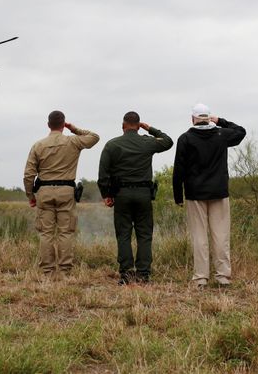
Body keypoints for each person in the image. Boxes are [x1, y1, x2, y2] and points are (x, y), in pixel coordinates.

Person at [172, 103, 246, 288]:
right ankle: (222, 276)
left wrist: (178, 195)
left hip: (195, 193)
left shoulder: (186, 138)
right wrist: (220, 121)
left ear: (192, 119)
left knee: (199, 236)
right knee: (221, 236)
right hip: (219, 192)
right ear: (209, 118)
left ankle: (201, 278)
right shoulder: (221, 135)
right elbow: (240, 131)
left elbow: (179, 169)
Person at [97, 111, 173, 285]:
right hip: (143, 194)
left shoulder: (112, 145)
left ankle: (126, 274)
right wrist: (151, 129)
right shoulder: (147, 142)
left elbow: (103, 174)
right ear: (138, 126)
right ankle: (144, 274)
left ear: (123, 126)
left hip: (121, 195)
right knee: (144, 234)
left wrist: (106, 194)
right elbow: (168, 142)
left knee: (123, 234)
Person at [23, 110, 100, 277]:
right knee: (66, 231)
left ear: (48, 125)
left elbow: (29, 175)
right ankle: (65, 270)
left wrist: (30, 196)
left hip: (44, 192)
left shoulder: (38, 145)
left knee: (46, 233)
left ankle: (47, 271)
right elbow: (94, 137)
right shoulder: (73, 141)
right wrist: (74, 129)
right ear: (63, 125)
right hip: (66, 191)